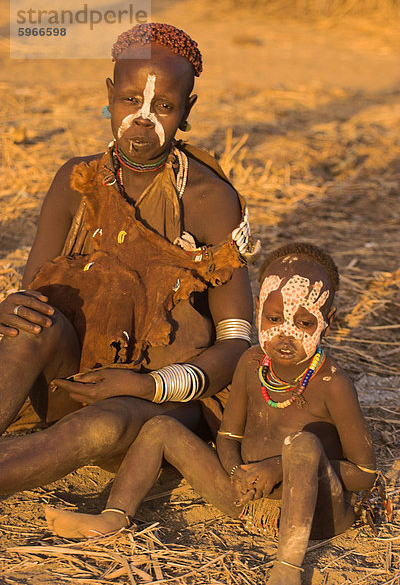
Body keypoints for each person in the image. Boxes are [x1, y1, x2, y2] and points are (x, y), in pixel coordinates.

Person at [0, 23, 255, 493]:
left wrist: (146, 386)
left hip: (155, 402)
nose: (143, 119)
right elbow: (38, 296)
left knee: (105, 425)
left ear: (188, 110)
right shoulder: (75, 182)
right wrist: (11, 308)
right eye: (130, 100)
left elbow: (238, 345)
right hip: (71, 379)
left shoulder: (210, 200)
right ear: (109, 94)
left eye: (163, 106)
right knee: (27, 325)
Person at [45, 242, 375, 585]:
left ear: (328, 322)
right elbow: (228, 435)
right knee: (160, 427)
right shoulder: (250, 363)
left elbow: (365, 474)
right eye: (273, 319)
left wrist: (277, 467)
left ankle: (287, 569)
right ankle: (114, 515)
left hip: (315, 516)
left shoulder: (332, 384)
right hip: (248, 503)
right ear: (258, 311)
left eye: (304, 322)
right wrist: (237, 472)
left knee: (303, 444)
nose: (285, 334)